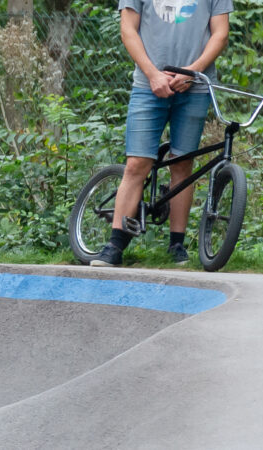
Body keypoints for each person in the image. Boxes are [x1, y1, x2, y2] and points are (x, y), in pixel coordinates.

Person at [94, 0, 231, 267]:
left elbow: (221, 34)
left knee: (182, 164)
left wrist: (193, 71)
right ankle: (114, 246)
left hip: (196, 88)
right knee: (137, 164)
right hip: (148, 86)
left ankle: (176, 246)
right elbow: (128, 30)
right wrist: (152, 74)